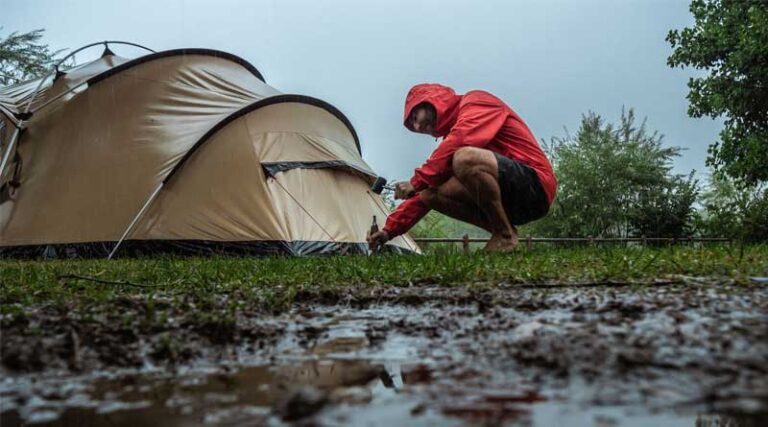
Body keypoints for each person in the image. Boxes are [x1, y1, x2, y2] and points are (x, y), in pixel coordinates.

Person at [367, 83, 557, 252]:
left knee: (464, 158)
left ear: (430, 101)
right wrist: (387, 232)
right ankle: (503, 232)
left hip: (535, 187)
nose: (417, 126)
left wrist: (415, 181)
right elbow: (424, 190)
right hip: (510, 202)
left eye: (415, 117)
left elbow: (462, 138)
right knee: (430, 193)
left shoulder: (476, 101)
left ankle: (504, 235)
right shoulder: (449, 144)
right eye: (412, 126)